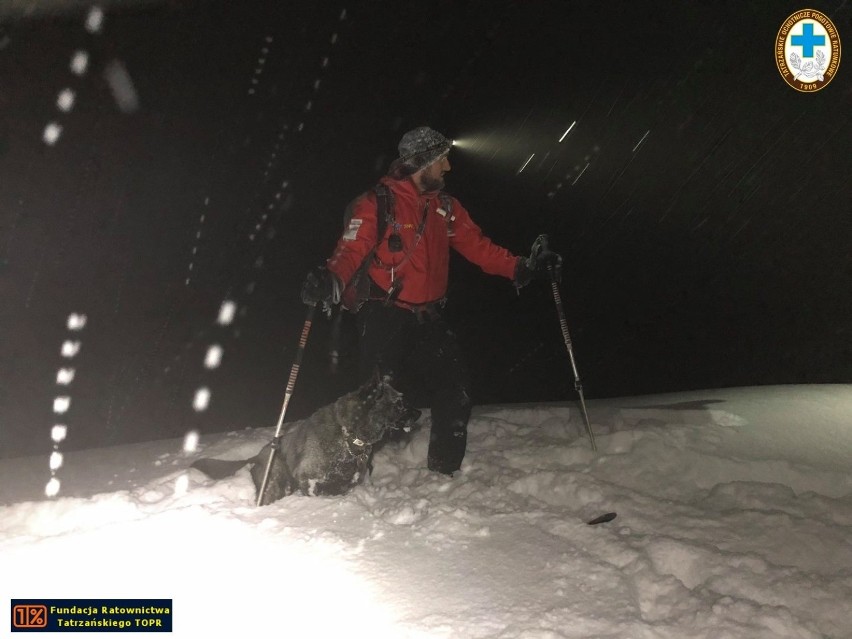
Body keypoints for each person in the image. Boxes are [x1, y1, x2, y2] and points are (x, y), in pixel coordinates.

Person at [301, 126, 561, 476]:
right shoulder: (378, 203)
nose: (448, 167)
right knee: (373, 400)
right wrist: (330, 279)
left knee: (456, 391)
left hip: (429, 317)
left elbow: (479, 247)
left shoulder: (446, 207)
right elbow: (351, 250)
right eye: (441, 159)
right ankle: (348, 474)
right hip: (385, 315)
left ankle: (443, 474)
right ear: (420, 162)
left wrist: (522, 268)